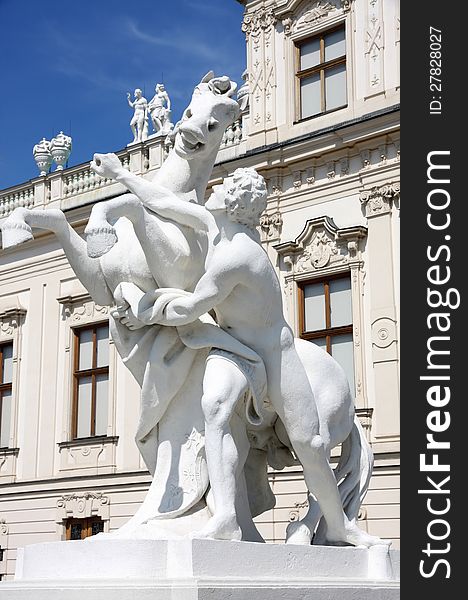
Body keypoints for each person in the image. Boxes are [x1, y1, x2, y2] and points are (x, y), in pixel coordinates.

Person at [114, 168, 383, 546]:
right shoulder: (214, 226)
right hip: (233, 347)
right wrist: (121, 175)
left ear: (233, 203)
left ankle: (337, 523)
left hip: (274, 353)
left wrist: (143, 310)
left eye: (223, 188)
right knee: (216, 405)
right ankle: (225, 516)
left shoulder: (238, 255)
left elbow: (188, 309)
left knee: (310, 444)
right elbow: (165, 202)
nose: (216, 189)